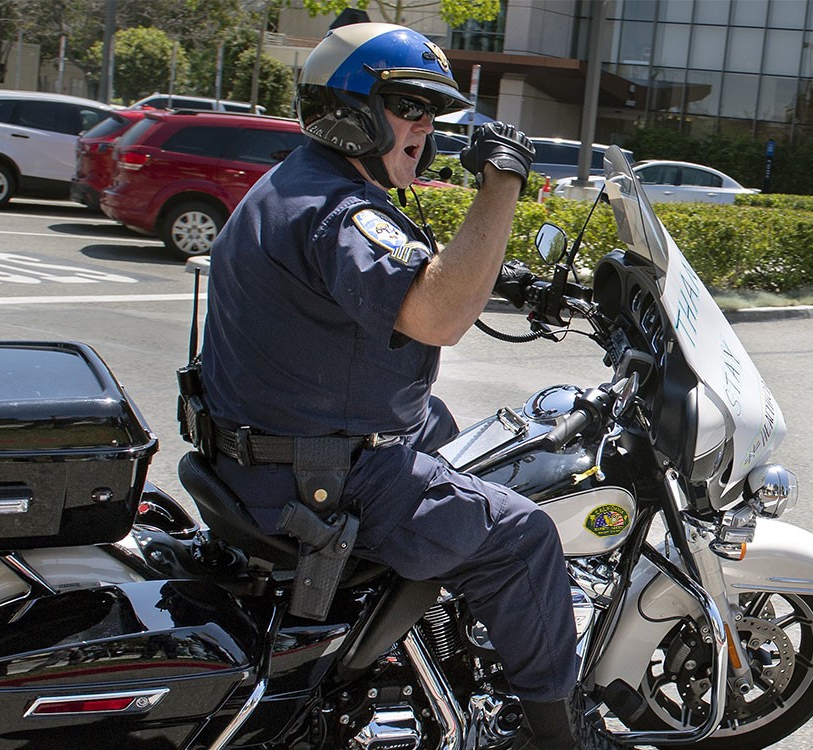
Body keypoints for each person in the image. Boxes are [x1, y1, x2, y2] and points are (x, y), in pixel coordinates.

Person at [195, 21, 616, 750]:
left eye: (432, 113)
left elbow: (400, 283)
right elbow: (439, 311)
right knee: (524, 536)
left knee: (455, 432)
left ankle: (437, 642)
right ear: (352, 108)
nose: (425, 128)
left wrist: (503, 275)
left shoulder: (302, 184)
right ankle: (555, 732)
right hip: (319, 478)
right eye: (408, 107)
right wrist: (504, 183)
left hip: (275, 446)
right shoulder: (341, 212)